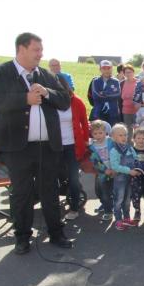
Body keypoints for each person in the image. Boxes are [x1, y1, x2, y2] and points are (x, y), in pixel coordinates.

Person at [0, 32, 72, 254]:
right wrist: (25, 99)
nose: (40, 55)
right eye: (36, 50)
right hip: (17, 148)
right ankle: (22, 237)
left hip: (47, 146)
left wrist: (47, 92)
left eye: (41, 50)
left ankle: (56, 233)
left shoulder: (45, 74)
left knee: (50, 191)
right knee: (21, 193)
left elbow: (64, 100)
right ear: (21, 49)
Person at [56, 76, 90, 221]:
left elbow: (84, 121)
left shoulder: (76, 101)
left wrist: (86, 140)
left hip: (72, 145)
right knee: (53, 178)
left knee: (73, 178)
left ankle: (74, 207)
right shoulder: (49, 102)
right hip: (54, 146)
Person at [109, 124, 142, 230]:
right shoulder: (114, 151)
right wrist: (129, 171)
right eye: (120, 135)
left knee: (127, 200)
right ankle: (118, 220)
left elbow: (135, 158)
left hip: (130, 179)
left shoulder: (130, 148)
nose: (123, 137)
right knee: (119, 199)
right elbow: (115, 166)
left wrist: (139, 167)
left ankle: (127, 218)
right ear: (113, 137)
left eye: (125, 135)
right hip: (120, 179)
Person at [89, 120, 115, 222]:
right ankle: (105, 204)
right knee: (99, 191)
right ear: (92, 134)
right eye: (95, 133)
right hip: (102, 173)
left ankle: (108, 211)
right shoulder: (92, 147)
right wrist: (104, 170)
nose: (98, 135)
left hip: (113, 171)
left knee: (107, 193)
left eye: (100, 133)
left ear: (105, 132)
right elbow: (95, 161)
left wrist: (115, 167)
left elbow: (116, 154)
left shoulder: (110, 142)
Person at [89, 60, 122, 126]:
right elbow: (96, 96)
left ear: (112, 69)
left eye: (108, 68)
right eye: (104, 68)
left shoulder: (116, 81)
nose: (106, 70)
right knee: (99, 132)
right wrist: (110, 93)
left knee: (113, 133)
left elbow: (117, 94)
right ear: (100, 69)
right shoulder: (95, 81)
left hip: (113, 113)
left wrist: (103, 93)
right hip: (99, 112)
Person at [120, 64, 144, 140]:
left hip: (137, 110)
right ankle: (129, 145)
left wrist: (129, 97)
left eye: (130, 72)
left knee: (138, 130)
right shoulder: (122, 83)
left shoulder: (139, 83)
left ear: (133, 72)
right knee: (128, 130)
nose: (128, 74)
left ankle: (138, 146)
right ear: (124, 74)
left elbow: (141, 96)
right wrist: (130, 96)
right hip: (126, 110)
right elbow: (121, 97)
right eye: (126, 72)